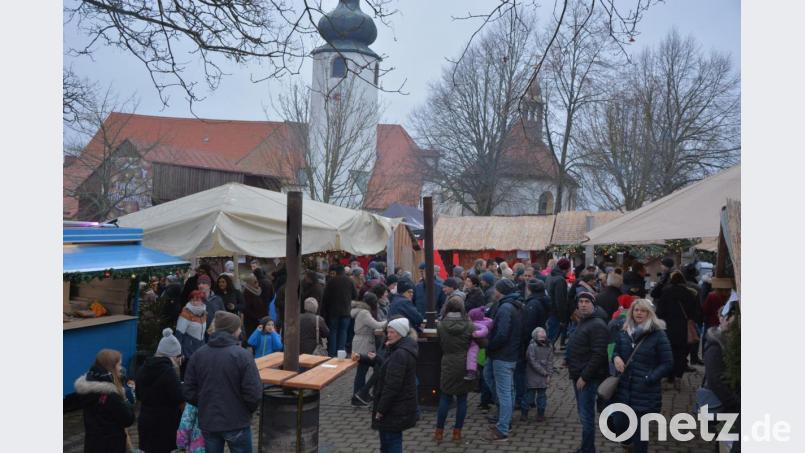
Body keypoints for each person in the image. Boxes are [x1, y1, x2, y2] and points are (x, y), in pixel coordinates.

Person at [183, 311, 262, 453]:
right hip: (236, 422)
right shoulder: (243, 355)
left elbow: (189, 390)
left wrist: (204, 403)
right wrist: (245, 410)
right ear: (234, 330)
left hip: (209, 421)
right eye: (239, 327)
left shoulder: (198, 355)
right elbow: (254, 393)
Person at [610, 299, 674, 453]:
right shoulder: (624, 331)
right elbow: (613, 348)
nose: (639, 313)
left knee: (641, 434)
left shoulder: (658, 335)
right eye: (636, 310)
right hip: (624, 389)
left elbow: (668, 363)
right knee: (619, 422)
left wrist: (649, 379)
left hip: (645, 392)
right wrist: (615, 357)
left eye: (643, 310)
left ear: (649, 314)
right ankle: (627, 442)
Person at [355, 318, 419, 453]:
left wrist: (381, 409)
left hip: (394, 407)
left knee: (391, 441)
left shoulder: (400, 354)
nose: (388, 335)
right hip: (398, 405)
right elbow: (390, 368)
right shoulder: (400, 348)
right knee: (388, 440)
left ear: (401, 333)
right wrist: (376, 358)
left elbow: (392, 386)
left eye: (392, 332)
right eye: (388, 332)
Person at [565, 292, 609, 453]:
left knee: (586, 416)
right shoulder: (584, 320)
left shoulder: (597, 324)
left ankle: (588, 449)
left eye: (587, 302)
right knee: (583, 414)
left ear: (593, 304)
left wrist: (585, 376)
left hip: (587, 378)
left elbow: (599, 354)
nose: (583, 304)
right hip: (578, 374)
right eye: (581, 302)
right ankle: (586, 447)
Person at [484, 279, 523, 442]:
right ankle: (505, 421)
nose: (494, 292)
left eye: (496, 289)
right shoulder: (515, 305)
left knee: (505, 393)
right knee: (509, 390)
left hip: (503, 356)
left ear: (501, 291)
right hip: (510, 354)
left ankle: (502, 428)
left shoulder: (506, 308)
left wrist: (489, 346)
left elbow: (502, 334)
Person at [74, 349, 135, 453]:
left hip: (93, 443)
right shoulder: (111, 394)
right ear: (111, 368)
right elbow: (128, 419)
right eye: (119, 365)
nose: (120, 369)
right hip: (111, 445)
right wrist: (125, 398)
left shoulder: (88, 387)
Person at [136, 328, 185, 453]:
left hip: (146, 418)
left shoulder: (143, 367)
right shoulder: (168, 372)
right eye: (179, 356)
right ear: (173, 355)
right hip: (164, 422)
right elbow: (178, 397)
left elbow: (138, 394)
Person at [435, 297, 476, 443]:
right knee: (462, 399)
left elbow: (439, 342)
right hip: (465, 363)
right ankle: (457, 433)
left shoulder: (441, 325)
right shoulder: (469, 325)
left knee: (445, 397)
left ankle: (439, 432)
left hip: (447, 362)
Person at [656, 271, 699, 389]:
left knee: (668, 353)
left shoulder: (666, 292)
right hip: (683, 328)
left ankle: (669, 376)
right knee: (681, 354)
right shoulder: (689, 294)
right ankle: (678, 377)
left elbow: (660, 312)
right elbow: (695, 313)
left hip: (668, 328)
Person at [351, 293, 388, 406]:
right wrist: (390, 321)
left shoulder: (361, 311)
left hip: (362, 341)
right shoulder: (364, 313)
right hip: (364, 343)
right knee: (363, 370)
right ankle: (358, 396)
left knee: (364, 370)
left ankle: (361, 394)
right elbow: (376, 325)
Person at [322, 264, 358, 357]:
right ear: (344, 271)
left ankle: (332, 354)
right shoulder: (350, 281)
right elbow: (355, 295)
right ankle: (341, 353)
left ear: (336, 272)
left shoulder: (331, 281)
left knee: (333, 332)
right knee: (343, 332)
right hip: (346, 311)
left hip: (333, 312)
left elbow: (325, 297)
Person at [524, 327, 554, 422]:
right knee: (529, 396)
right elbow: (532, 361)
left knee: (542, 396)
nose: (543, 339)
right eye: (540, 337)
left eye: (544, 337)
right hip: (533, 375)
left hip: (543, 376)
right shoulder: (532, 346)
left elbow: (550, 361)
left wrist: (549, 374)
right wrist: (545, 373)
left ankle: (540, 413)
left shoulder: (549, 346)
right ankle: (524, 413)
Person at [174, 290, 207, 361]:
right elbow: (178, 335)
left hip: (200, 350)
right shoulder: (185, 314)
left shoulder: (204, 313)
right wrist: (179, 353)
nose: (194, 302)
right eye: (192, 300)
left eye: (197, 300)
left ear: (202, 301)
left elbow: (203, 333)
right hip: (188, 352)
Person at [546, 258, 571, 348]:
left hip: (550, 309)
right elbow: (560, 300)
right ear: (567, 268)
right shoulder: (559, 280)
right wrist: (562, 318)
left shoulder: (550, 276)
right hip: (556, 312)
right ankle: (546, 354)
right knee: (552, 336)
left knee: (550, 334)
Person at [465, 306, 492, 381]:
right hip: (480, 344)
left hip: (475, 343)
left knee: (471, 355)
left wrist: (475, 334)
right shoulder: (485, 321)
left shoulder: (477, 324)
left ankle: (471, 372)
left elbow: (484, 330)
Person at [240, 273, 266, 340]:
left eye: (257, 281)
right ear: (250, 283)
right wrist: (256, 317)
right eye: (255, 282)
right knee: (253, 339)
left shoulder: (259, 291)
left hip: (260, 319)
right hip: (251, 321)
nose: (257, 284)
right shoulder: (246, 293)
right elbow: (246, 309)